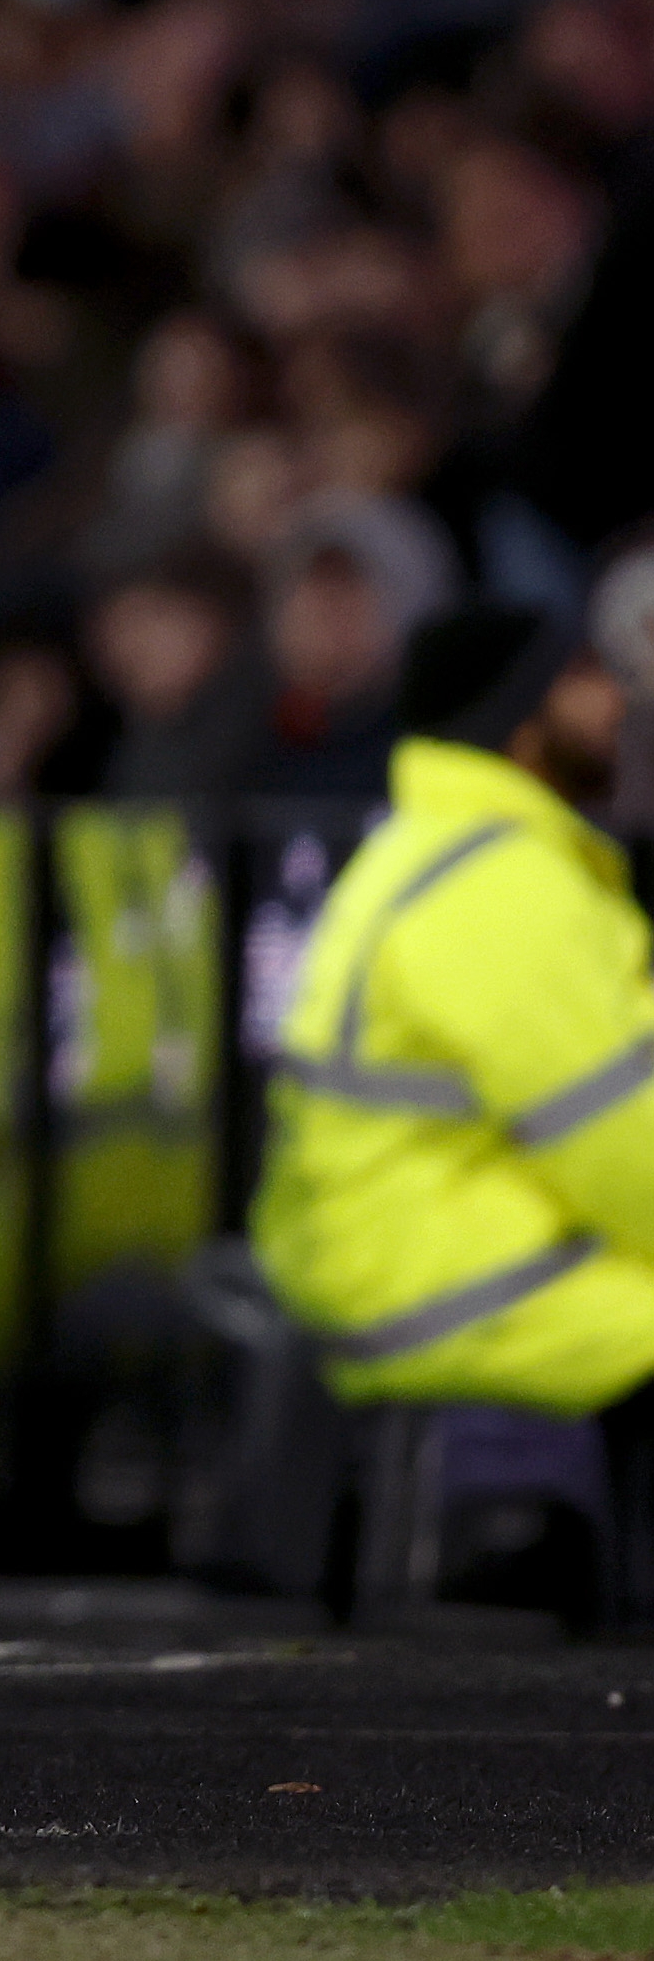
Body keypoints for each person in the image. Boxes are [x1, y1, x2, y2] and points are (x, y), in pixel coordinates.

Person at [251, 605, 654, 1632]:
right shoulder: (503, 883)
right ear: (517, 716)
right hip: (447, 1276)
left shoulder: (432, 848)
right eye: (580, 675)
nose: (615, 699)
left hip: (382, 1252)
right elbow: (625, 1146)